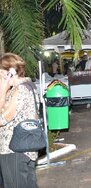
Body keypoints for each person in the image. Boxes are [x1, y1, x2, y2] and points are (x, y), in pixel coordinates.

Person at [0, 53, 39, 187]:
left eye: (0, 73)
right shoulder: (29, 85)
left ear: (10, 72)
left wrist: (2, 91)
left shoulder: (20, 90)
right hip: (25, 150)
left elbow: (2, 119)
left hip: (13, 150)